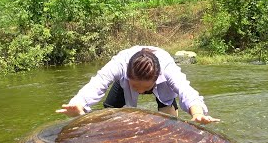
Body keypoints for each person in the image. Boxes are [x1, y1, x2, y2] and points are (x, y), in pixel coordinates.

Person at [55, 45, 220, 124]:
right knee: (112, 120)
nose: (140, 92)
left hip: (159, 82)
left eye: (145, 89)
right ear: (127, 77)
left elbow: (186, 90)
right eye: (135, 88)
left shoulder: (167, 69)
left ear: (156, 79)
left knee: (169, 123)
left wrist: (197, 113)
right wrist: (78, 103)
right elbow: (97, 83)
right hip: (126, 80)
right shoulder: (120, 64)